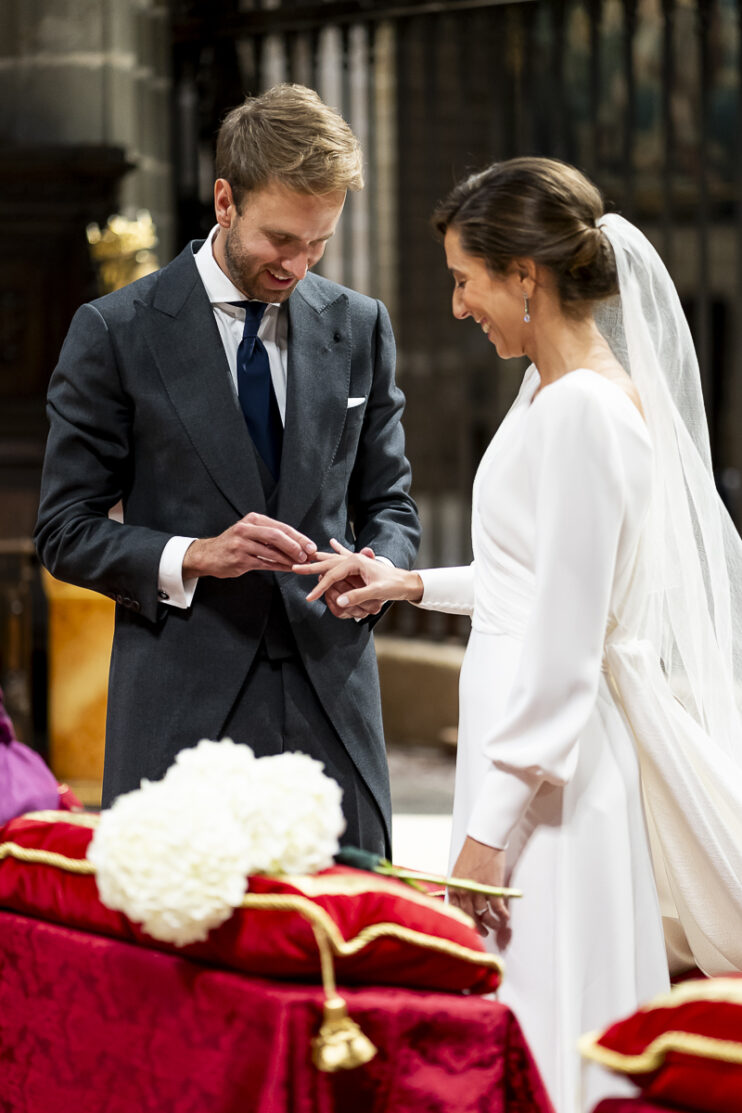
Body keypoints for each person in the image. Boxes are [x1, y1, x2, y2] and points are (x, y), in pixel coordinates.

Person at [294, 157, 742, 1111]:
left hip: (553, 781)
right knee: (523, 1011)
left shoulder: (584, 411)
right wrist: (407, 582)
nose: (459, 305)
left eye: (466, 280)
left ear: (524, 276)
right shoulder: (547, 388)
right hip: (525, 761)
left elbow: (568, 645)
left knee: (551, 1021)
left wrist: (488, 832)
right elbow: (530, 582)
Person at [34, 83, 420, 857]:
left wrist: (378, 567)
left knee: (352, 925)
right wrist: (195, 554)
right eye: (281, 238)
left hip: (334, 707)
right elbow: (64, 530)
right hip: (182, 708)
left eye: (319, 242)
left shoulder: (359, 325)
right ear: (224, 201)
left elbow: (391, 505)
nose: (299, 264)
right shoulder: (115, 331)